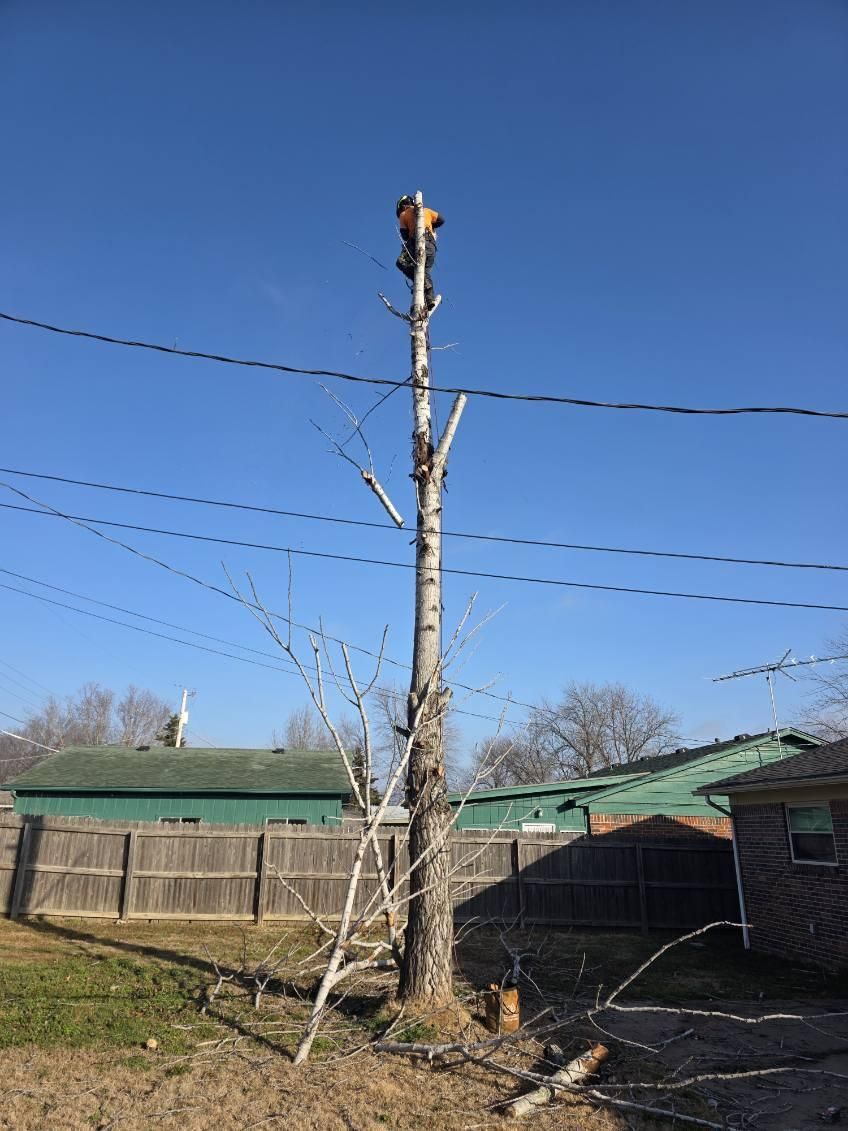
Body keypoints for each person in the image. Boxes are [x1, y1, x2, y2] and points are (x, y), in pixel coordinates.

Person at [395, 194, 444, 309]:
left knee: (400, 262)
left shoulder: (403, 214)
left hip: (416, 242)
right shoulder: (426, 210)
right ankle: (429, 299)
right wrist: (430, 224)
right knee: (425, 271)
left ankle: (419, 281)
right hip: (431, 245)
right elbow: (441, 220)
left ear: (402, 205)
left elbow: (405, 235)